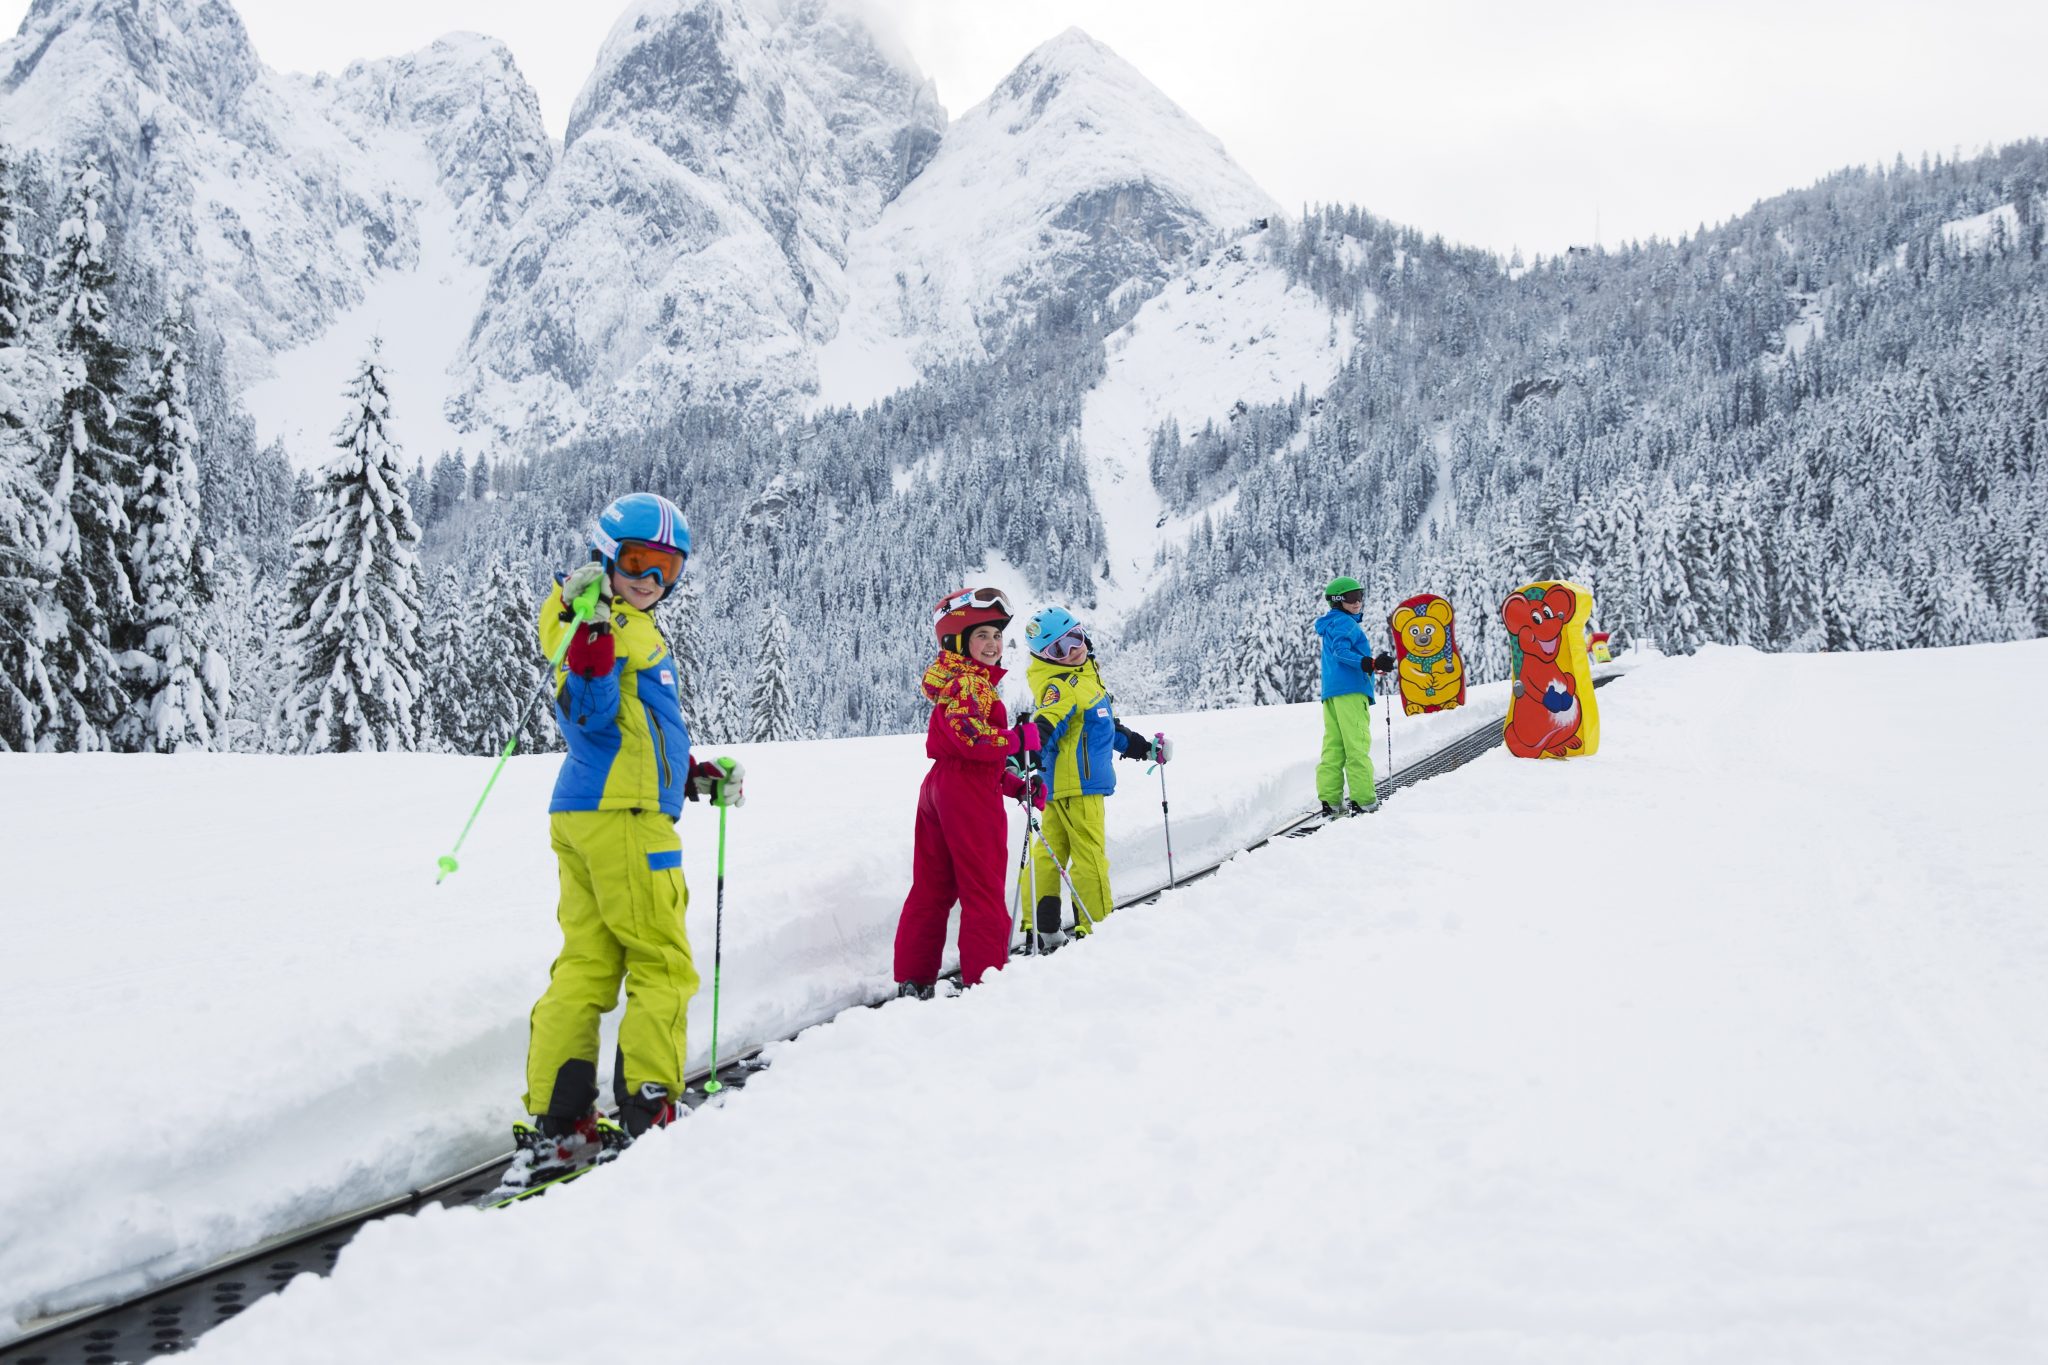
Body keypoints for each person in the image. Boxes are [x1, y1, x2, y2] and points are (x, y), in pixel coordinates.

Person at [499, 492, 745, 1198]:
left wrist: (688, 777)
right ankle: (649, 1109)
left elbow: (629, 732)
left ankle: (561, 1124)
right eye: (637, 561)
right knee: (662, 962)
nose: (651, 580)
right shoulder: (598, 625)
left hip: (587, 810)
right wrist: (593, 641)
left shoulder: (607, 620)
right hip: (627, 820)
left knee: (586, 963)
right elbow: (591, 711)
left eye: (667, 568)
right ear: (606, 557)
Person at [894, 587, 1039, 998]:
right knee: (983, 889)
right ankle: (985, 980)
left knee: (932, 887)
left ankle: (914, 978)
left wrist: (1014, 785)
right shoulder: (972, 683)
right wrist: (1018, 739)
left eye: (997, 635)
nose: (993, 644)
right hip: (965, 793)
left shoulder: (956, 682)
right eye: (982, 636)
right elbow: (971, 739)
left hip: (942, 787)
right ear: (958, 641)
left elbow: (969, 756)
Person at [1020, 607, 1169, 950]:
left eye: (1074, 638)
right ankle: (1097, 929)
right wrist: (1026, 752)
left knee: (1050, 854)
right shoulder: (1063, 686)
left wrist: (1146, 749)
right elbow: (1046, 723)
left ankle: (1042, 928)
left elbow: (1107, 729)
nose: (1072, 650)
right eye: (1059, 649)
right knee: (1090, 857)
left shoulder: (1085, 680)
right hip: (1080, 787)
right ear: (1046, 657)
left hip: (1060, 787)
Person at [1316, 576, 1395, 818]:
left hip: (1332, 694)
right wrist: (1369, 663)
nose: (1357, 602)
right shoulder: (1346, 622)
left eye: (1360, 595)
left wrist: (1371, 665)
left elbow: (1340, 656)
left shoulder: (1331, 624)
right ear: (1337, 601)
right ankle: (1364, 802)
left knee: (1334, 747)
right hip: (1350, 693)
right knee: (1356, 745)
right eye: (1351, 597)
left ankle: (1331, 802)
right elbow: (1341, 652)